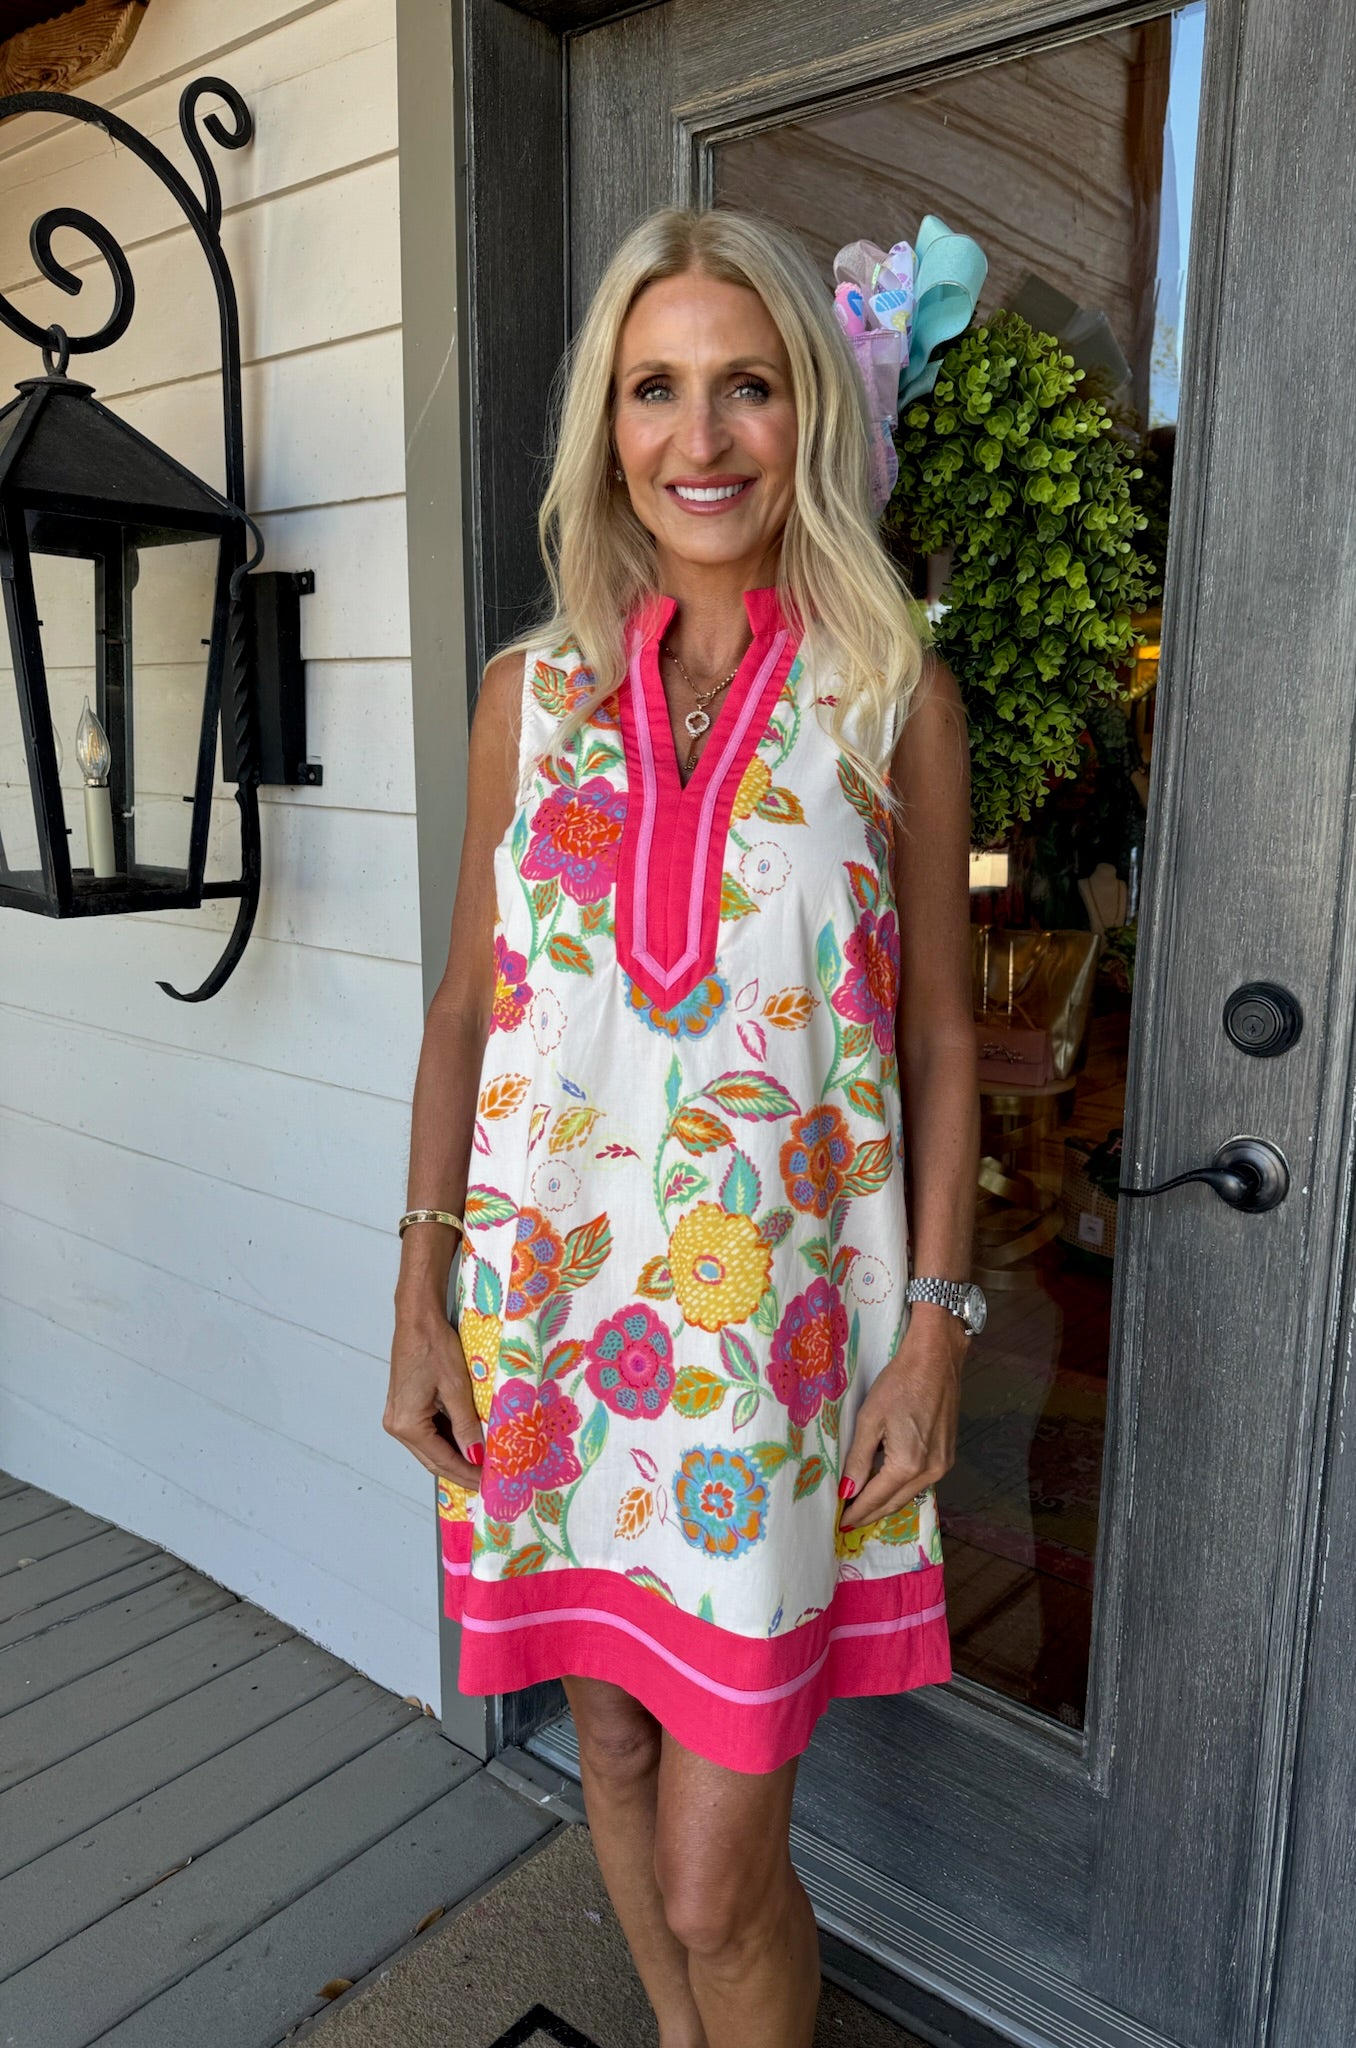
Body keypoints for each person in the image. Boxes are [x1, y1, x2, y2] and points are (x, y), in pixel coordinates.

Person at [384, 205, 980, 2048]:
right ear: (607, 423)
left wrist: (936, 1332)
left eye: (748, 386)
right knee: (615, 1754)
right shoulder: (528, 698)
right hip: (554, 1331)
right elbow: (470, 1008)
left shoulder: (890, 698)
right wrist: (419, 1298)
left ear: (811, 411)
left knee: (724, 1878)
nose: (699, 438)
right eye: (655, 390)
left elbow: (942, 1034)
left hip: (767, 1365)